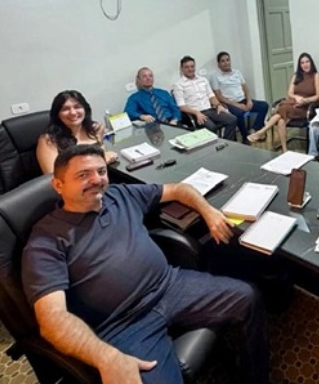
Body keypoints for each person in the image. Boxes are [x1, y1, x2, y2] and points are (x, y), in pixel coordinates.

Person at [22, 144, 269, 384]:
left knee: (248, 297)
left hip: (170, 286)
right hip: (123, 324)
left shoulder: (119, 195)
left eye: (101, 171)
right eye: (83, 175)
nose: (96, 180)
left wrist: (208, 211)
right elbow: (52, 320)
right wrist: (107, 358)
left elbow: (179, 189)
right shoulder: (46, 239)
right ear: (58, 185)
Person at [247, 52, 319, 152]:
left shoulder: (316, 76)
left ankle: (262, 131)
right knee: (281, 121)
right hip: (293, 103)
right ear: (300, 65)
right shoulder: (296, 76)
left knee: (283, 109)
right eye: (302, 63)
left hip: (306, 107)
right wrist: (297, 97)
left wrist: (306, 100)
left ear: (311, 63)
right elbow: (290, 93)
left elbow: (318, 96)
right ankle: (284, 150)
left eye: (307, 62)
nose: (305, 65)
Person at [37, 90, 118, 174]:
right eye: (65, 109)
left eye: (77, 107)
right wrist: (101, 161)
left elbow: (101, 154)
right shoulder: (49, 140)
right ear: (57, 114)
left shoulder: (94, 128)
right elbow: (54, 176)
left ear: (85, 110)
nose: (73, 112)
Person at [210, 52, 270, 145]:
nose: (226, 63)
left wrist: (249, 101)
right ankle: (245, 136)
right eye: (223, 61)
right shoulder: (215, 76)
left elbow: (246, 88)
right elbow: (219, 96)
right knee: (238, 113)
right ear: (219, 64)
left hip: (243, 100)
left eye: (228, 60)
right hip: (229, 103)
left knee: (264, 105)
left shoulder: (237, 72)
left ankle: (255, 129)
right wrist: (237, 105)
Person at [172, 56, 237, 141]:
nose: (190, 69)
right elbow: (182, 106)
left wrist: (218, 105)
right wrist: (197, 113)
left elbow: (211, 96)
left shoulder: (203, 80)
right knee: (211, 127)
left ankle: (227, 142)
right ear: (182, 69)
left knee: (232, 119)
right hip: (195, 114)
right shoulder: (178, 85)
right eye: (187, 67)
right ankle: (214, 147)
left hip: (210, 110)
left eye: (192, 66)